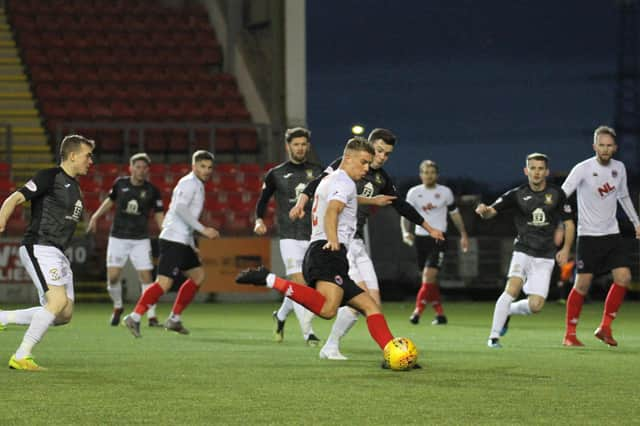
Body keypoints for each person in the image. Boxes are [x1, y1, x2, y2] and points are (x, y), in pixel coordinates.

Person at [237, 137, 414, 369]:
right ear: (347, 158)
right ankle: (269, 278)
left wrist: (373, 200)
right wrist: (333, 239)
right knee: (328, 309)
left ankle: (393, 353)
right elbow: (333, 211)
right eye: (363, 162)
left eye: (368, 163)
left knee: (370, 306)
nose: (366, 168)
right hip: (327, 251)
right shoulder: (345, 182)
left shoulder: (331, 179)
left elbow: (342, 201)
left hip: (326, 251)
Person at [289, 128, 444, 360]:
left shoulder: (380, 178)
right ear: (369, 148)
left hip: (355, 243)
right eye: (379, 151)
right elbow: (320, 186)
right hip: (338, 244)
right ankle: (337, 340)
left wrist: (429, 227)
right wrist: (301, 202)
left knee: (371, 304)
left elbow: (400, 204)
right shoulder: (344, 170)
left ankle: (334, 345)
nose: (382, 157)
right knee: (359, 303)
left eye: (387, 154)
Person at [0, 134, 94, 370]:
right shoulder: (49, 176)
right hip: (40, 245)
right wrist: (1, 221)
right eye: (87, 155)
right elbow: (15, 198)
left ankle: (3, 318)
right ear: (73, 156)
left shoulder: (75, 187)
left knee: (63, 314)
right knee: (57, 300)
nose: (91, 161)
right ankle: (22, 355)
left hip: (58, 253)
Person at [475, 153, 574, 348]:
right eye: (533, 168)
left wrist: (566, 248)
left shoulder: (557, 194)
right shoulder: (517, 194)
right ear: (526, 170)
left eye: (540, 168)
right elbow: (492, 211)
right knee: (512, 288)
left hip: (545, 256)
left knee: (536, 306)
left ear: (546, 171)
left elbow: (569, 224)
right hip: (523, 250)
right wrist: (484, 211)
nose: (536, 172)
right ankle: (494, 337)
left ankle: (508, 311)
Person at [122, 150, 220, 338]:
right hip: (173, 238)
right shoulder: (188, 183)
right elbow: (180, 209)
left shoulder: (197, 184)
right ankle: (134, 317)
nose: (206, 170)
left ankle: (174, 319)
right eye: (202, 166)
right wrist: (203, 229)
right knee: (164, 283)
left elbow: (185, 214)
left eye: (209, 167)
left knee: (198, 276)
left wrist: (192, 244)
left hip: (183, 240)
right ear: (193, 166)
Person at [560, 125, 640, 347]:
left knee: (623, 278)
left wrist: (636, 222)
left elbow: (623, 196)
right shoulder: (582, 169)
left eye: (609, 145)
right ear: (594, 146)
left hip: (612, 235)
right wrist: (561, 222)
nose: (605, 149)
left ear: (615, 147)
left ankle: (605, 327)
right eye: (601, 145)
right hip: (588, 237)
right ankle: (570, 334)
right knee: (582, 285)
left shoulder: (619, 168)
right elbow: (562, 194)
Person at [254, 127, 324, 345]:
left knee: (304, 287)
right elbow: (263, 201)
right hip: (289, 236)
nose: (300, 148)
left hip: (314, 236)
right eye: (296, 144)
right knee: (300, 284)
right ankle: (308, 333)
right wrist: (259, 220)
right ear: (288, 146)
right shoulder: (276, 173)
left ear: (308, 146)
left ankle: (281, 315)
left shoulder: (319, 171)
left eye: (304, 144)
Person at [87, 153, 164, 327]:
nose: (141, 170)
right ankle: (118, 306)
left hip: (140, 239)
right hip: (118, 238)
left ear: (148, 170)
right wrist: (95, 217)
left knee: (146, 277)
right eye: (138, 167)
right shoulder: (120, 184)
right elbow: (109, 201)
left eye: (144, 167)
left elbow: (159, 216)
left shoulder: (152, 190)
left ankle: (151, 316)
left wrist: (166, 233)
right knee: (113, 277)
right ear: (131, 168)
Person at [401, 160, 469, 326]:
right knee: (429, 281)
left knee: (427, 276)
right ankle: (440, 314)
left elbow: (455, 214)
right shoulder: (414, 193)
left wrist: (463, 234)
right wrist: (405, 232)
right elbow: (405, 214)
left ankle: (417, 312)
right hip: (420, 239)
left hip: (439, 238)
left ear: (437, 175)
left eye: (432, 172)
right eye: (425, 172)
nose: (429, 175)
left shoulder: (445, 192)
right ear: (420, 174)